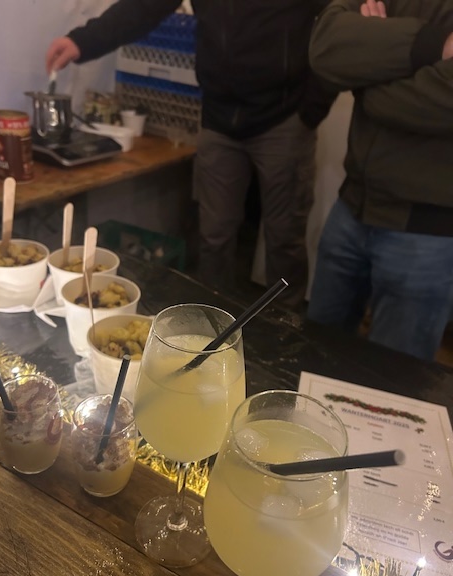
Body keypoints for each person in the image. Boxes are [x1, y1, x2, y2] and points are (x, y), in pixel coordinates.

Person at [46, 1, 336, 309]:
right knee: (213, 238)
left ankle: (286, 328)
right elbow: (143, 7)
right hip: (219, 118)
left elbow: (340, 20)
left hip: (284, 118)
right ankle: (210, 322)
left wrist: (312, 108)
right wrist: (82, 41)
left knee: (285, 240)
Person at [306, 0, 453, 361]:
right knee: (315, 358)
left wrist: (367, 71)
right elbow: (325, 44)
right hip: (351, 208)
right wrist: (435, 46)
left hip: (426, 230)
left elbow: (436, 104)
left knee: (393, 378)